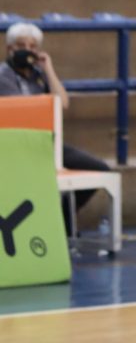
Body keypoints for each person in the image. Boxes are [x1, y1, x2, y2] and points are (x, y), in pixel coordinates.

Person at [0, 22, 113, 233]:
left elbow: (62, 103)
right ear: (10, 49)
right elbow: (22, 111)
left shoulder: (38, 75)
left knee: (99, 169)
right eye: (21, 45)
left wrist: (48, 69)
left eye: (33, 47)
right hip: (15, 147)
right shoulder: (3, 75)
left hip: (48, 143)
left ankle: (60, 223)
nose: (27, 50)